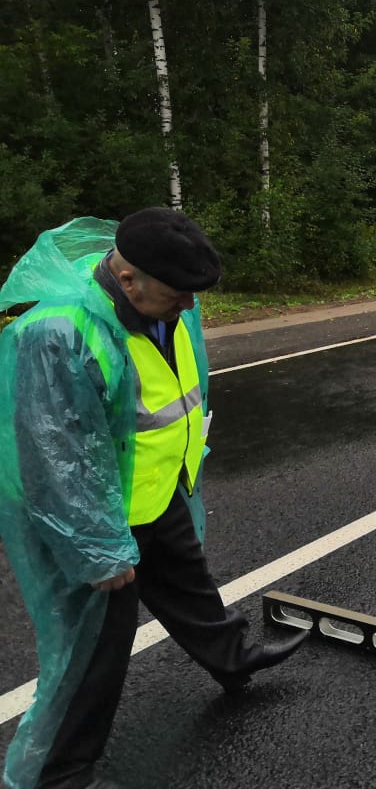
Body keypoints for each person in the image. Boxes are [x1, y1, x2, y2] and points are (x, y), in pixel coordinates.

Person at [0, 210, 308, 789]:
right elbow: (53, 457)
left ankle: (233, 658)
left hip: (154, 493)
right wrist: (97, 550)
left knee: (189, 583)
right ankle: (61, 773)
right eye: (176, 296)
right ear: (126, 278)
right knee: (94, 650)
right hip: (91, 521)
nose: (188, 308)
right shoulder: (59, 334)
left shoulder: (168, 307)